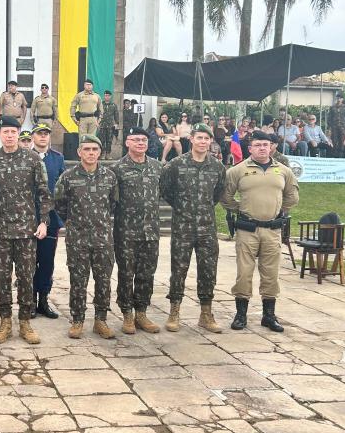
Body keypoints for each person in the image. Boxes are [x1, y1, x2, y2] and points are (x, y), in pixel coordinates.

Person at [0, 116, 51, 344]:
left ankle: (25, 322)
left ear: (19, 133)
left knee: (26, 277)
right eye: (6, 132)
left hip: (27, 231)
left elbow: (43, 193)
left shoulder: (32, 159)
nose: (9, 135)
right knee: (2, 277)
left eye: (13, 132)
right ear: (0, 134)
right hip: (1, 232)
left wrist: (43, 221)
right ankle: (5, 320)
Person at [221, 130, 299, 333]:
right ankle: (241, 315)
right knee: (244, 273)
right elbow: (226, 196)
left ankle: (269, 315)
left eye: (266, 144)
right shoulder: (237, 171)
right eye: (258, 145)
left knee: (271, 274)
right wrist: (240, 209)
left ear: (271, 147)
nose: (262, 148)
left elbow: (292, 196)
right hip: (247, 230)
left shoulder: (283, 171)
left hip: (272, 230)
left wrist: (280, 209)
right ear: (250, 148)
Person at [160, 123, 226, 333]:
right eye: (199, 138)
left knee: (208, 271)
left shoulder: (217, 167)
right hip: (183, 227)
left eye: (207, 139)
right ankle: (174, 311)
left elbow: (217, 195)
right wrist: (183, 208)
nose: (203, 142)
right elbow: (166, 191)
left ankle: (206, 314)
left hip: (207, 228)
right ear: (191, 139)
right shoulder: (175, 165)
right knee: (178, 270)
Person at [55, 134, 119, 339]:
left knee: (103, 280)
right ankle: (77, 320)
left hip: (103, 238)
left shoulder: (109, 176)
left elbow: (113, 204)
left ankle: (101, 320)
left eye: (95, 150)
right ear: (79, 152)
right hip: (78, 239)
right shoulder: (68, 176)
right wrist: (75, 223)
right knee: (78, 281)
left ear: (99, 152)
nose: (91, 153)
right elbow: (60, 204)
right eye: (87, 149)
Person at [111, 127, 162, 334]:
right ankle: (127, 314)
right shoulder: (117, 168)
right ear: (127, 143)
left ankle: (141, 311)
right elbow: (111, 199)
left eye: (144, 140)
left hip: (150, 231)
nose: (140, 143)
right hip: (126, 232)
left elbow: (166, 192)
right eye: (136, 140)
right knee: (126, 273)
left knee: (146, 273)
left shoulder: (158, 167)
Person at [30, 123, 63, 319]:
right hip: (29, 216)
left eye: (46, 134)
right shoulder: (26, 158)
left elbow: (61, 187)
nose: (43, 137)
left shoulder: (57, 159)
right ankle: (31, 300)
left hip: (51, 217)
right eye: (39, 134)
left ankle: (44, 299)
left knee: (47, 262)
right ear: (33, 136)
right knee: (30, 261)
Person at [98, 90, 119, 158]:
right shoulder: (101, 104)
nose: (106, 97)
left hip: (110, 126)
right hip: (102, 125)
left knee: (109, 140)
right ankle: (103, 154)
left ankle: (108, 154)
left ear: (110, 96)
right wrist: (97, 122)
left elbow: (116, 115)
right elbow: (97, 114)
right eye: (105, 95)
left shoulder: (113, 105)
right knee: (102, 140)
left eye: (108, 95)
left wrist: (116, 123)